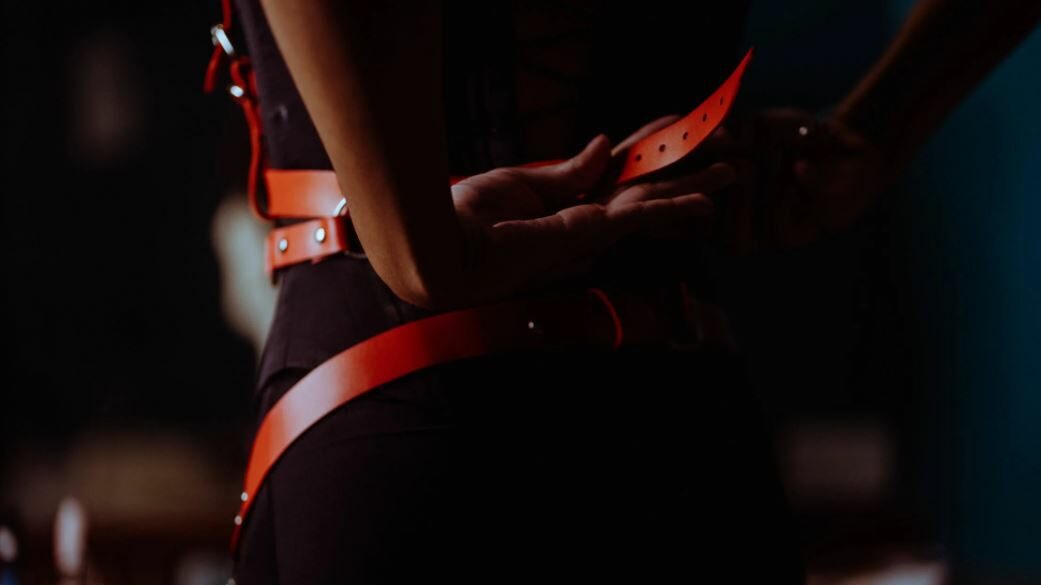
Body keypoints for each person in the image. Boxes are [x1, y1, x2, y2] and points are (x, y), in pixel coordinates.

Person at [224, 0, 1039, 583]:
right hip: (677, 424)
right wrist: (879, 129)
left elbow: (416, 255)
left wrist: (415, 244)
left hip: (399, 410)